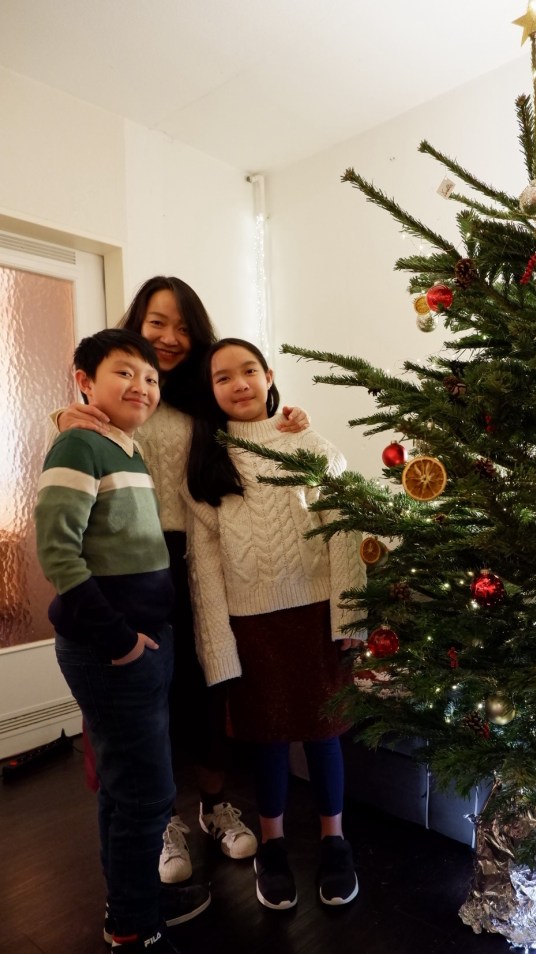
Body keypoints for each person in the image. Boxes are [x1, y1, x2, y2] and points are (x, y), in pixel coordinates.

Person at [55, 276, 310, 884]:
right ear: (136, 325)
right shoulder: (120, 395)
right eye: (157, 323)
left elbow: (253, 427)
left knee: (207, 685)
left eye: (183, 326)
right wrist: (61, 414)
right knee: (147, 697)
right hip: (133, 562)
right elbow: (76, 448)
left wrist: (290, 417)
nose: (170, 337)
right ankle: (164, 820)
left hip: (205, 555)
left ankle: (214, 805)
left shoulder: (205, 395)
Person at [35, 329, 216, 954]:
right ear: (84, 380)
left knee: (126, 789)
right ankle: (135, 945)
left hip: (140, 645)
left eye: (151, 377)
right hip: (111, 650)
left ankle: (132, 906)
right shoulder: (79, 444)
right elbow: (58, 552)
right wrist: (117, 640)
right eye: (124, 373)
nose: (142, 386)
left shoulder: (124, 446)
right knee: (145, 795)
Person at [183, 338, 366, 911]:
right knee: (266, 740)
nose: (238, 383)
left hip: (314, 615)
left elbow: (343, 520)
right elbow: (205, 570)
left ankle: (334, 843)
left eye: (248, 371)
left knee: (324, 734)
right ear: (210, 391)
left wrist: (351, 616)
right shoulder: (207, 466)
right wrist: (219, 648)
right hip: (250, 626)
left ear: (268, 376)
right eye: (223, 377)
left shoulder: (301, 441)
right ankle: (273, 846)